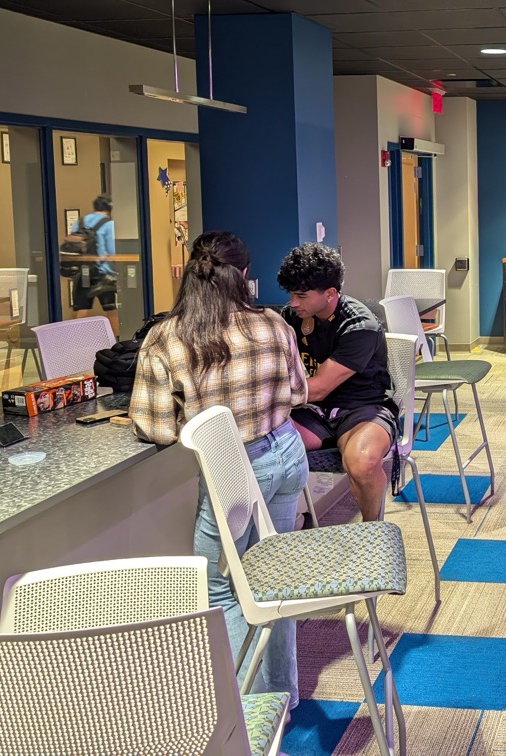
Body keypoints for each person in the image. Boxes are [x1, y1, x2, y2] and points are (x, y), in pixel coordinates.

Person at [129, 231, 308, 707]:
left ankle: (247, 713)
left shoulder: (166, 337)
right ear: (243, 276)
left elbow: (155, 427)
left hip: (233, 471)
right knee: (277, 579)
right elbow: (299, 393)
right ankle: (283, 697)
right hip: (287, 454)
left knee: (219, 588)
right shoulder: (273, 323)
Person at [277, 242, 396, 522]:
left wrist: (267, 395)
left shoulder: (359, 325)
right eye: (291, 294)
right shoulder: (292, 317)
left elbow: (319, 387)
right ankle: (289, 520)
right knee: (265, 444)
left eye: (301, 296)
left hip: (362, 407)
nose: (293, 303)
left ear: (330, 293)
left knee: (362, 462)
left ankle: (372, 531)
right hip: (312, 411)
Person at [70, 194, 120, 334]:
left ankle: (77, 339)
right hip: (103, 273)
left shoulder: (79, 222)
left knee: (82, 308)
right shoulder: (109, 224)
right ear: (109, 209)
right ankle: (117, 338)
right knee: (110, 308)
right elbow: (112, 250)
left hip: (82, 272)